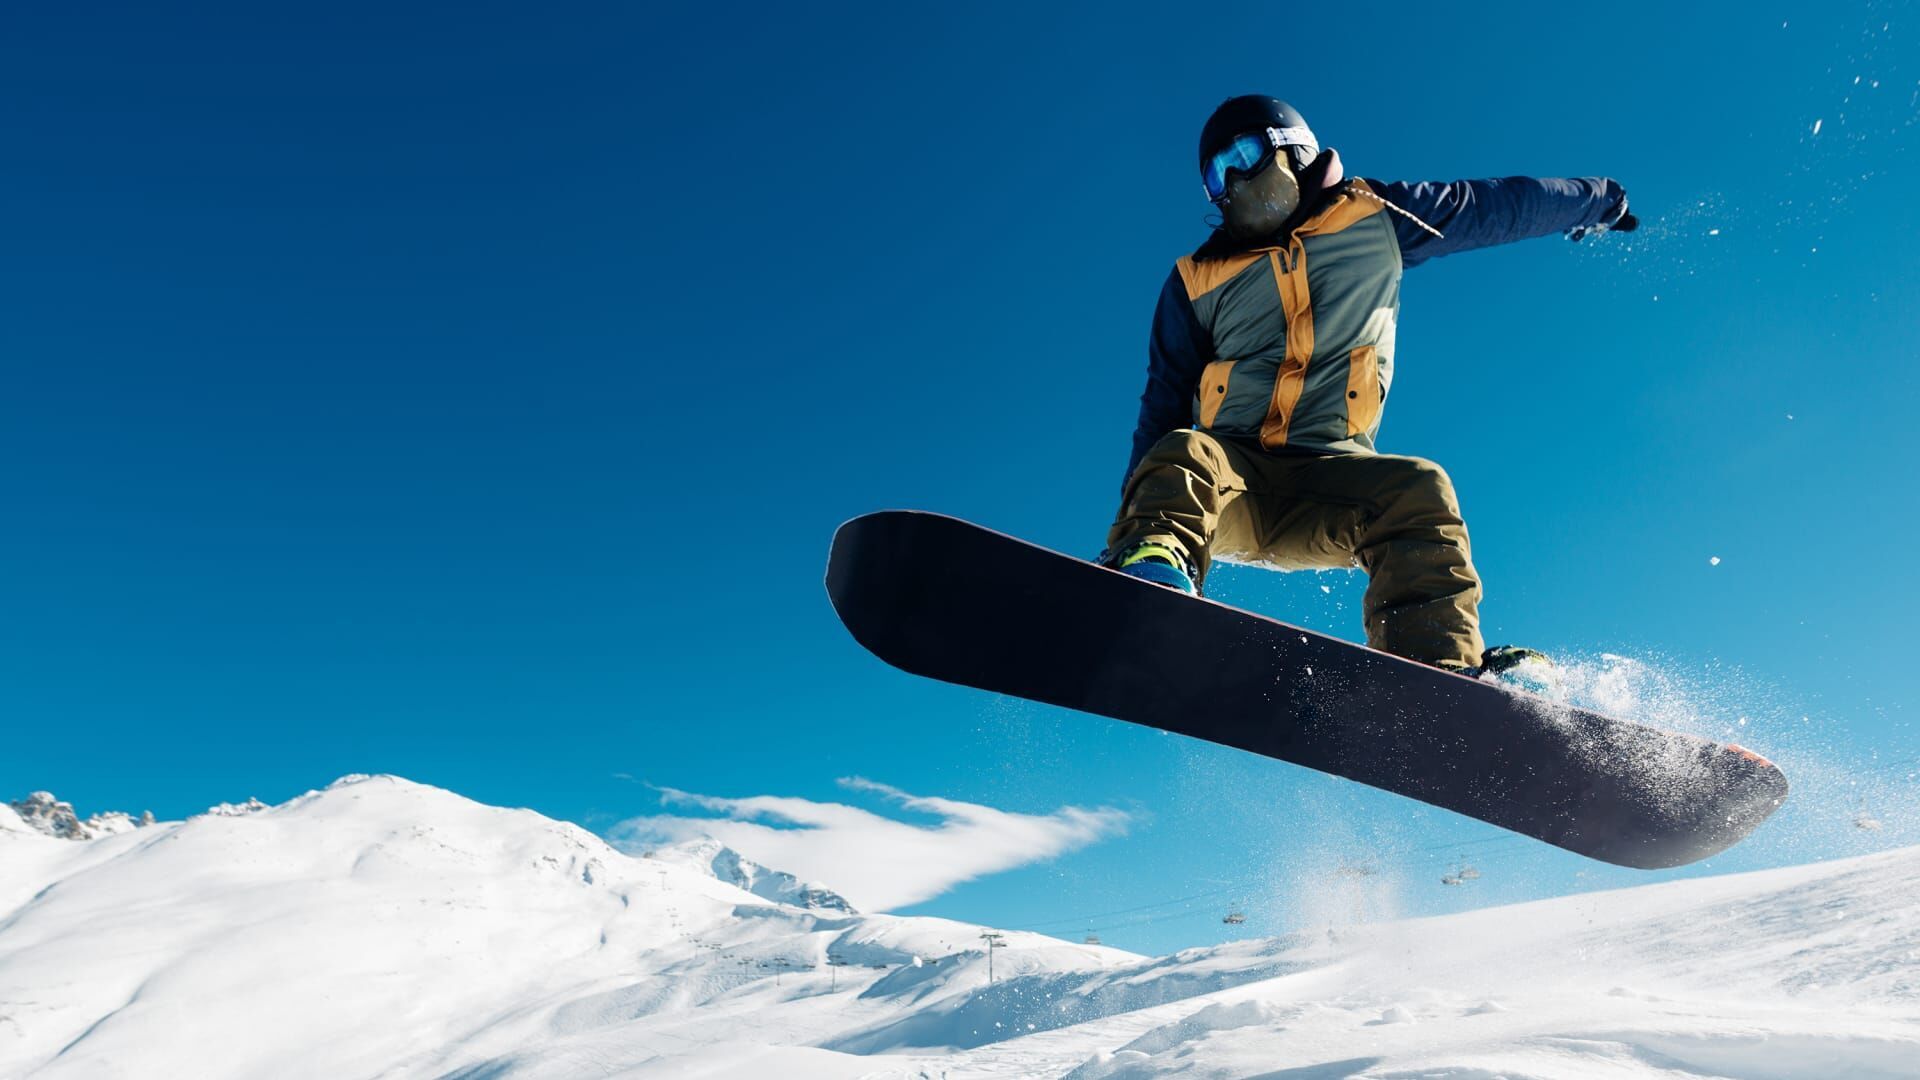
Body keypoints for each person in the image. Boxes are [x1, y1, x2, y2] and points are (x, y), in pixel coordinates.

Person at [1102, 95, 1637, 678]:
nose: (1231, 180)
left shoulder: (1375, 216)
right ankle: (1152, 565)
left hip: (1334, 485)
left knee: (1419, 489)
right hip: (1236, 484)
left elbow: (1500, 206)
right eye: (1214, 175)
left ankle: (1437, 669)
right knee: (1185, 453)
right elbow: (1162, 403)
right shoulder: (1195, 281)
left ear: (1293, 146)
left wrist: (1599, 201)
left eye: (1243, 154)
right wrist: (1132, 520)